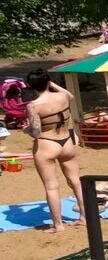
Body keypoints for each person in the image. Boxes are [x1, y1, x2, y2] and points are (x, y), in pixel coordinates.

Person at [25, 70, 84, 233]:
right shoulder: (63, 97)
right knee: (76, 181)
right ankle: (84, 217)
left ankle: (58, 225)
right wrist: (50, 83)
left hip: (47, 144)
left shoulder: (33, 105)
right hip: (66, 142)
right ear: (48, 82)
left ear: (31, 86)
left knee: (51, 186)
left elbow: (35, 131)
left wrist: (26, 129)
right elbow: (70, 95)